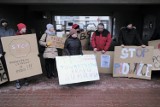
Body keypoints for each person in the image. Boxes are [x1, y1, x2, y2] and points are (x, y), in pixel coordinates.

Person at [15, 23, 29, 89]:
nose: (25, 29)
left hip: (25, 54)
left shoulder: (26, 36)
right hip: (17, 55)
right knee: (18, 68)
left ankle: (25, 79)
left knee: (25, 67)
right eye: (24, 28)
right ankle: (17, 82)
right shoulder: (15, 36)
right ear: (21, 29)